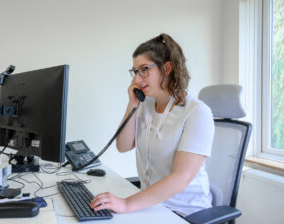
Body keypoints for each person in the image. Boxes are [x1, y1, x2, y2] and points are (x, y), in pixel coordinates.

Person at [89, 33, 215, 217]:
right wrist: (132, 102)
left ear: (167, 68)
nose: (137, 79)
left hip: (185, 213)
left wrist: (126, 204)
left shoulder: (197, 112)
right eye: (135, 71)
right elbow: (122, 146)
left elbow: (181, 178)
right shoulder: (145, 105)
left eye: (144, 70)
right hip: (151, 205)